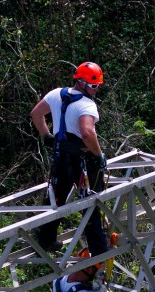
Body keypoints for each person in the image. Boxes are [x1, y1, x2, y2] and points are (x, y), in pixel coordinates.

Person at [31, 61, 109, 255]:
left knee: (56, 198)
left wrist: (47, 136)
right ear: (81, 83)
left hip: (60, 157)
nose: (95, 90)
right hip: (82, 161)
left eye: (97, 86)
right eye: (93, 86)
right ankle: (98, 248)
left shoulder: (56, 94)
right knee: (90, 202)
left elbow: (36, 114)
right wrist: (98, 155)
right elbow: (87, 133)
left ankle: (45, 240)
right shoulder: (86, 105)